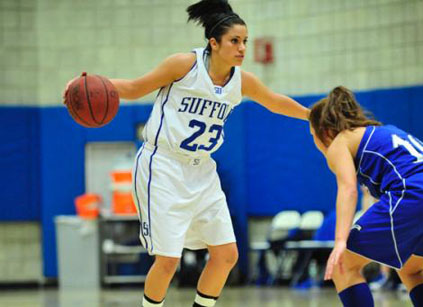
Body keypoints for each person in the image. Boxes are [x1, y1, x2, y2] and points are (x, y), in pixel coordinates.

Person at [64, 1, 309, 306]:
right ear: (214, 42)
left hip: (202, 170)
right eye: (235, 41)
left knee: (227, 254)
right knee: (167, 260)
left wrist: (311, 116)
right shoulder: (185, 65)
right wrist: (83, 85)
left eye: (245, 41)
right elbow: (134, 87)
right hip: (163, 165)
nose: (242, 48)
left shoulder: (241, 81)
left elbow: (275, 101)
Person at [308, 86, 423, 307]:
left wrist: (340, 242)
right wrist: (421, 246)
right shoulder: (382, 132)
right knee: (412, 268)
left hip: (416, 191)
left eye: (312, 136)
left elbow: (348, 189)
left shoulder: (340, 142)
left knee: (342, 266)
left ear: (324, 131)